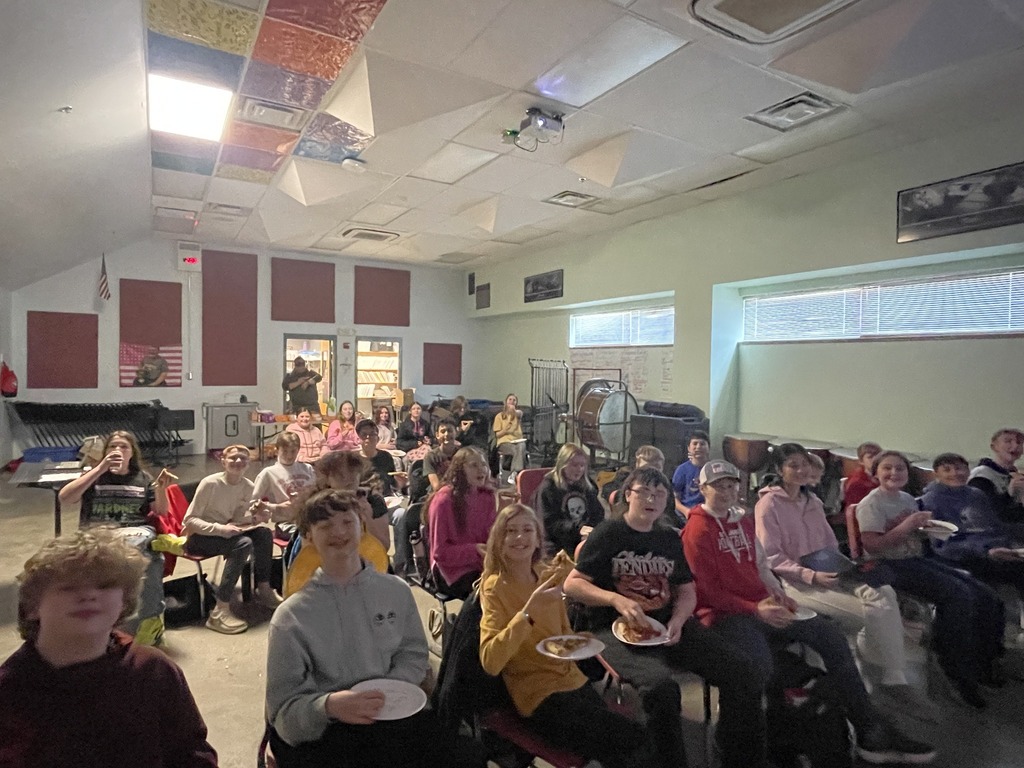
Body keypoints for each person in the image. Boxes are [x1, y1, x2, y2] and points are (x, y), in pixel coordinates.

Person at [684, 459, 936, 766]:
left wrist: (775, 592)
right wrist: (756, 608)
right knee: (757, 664)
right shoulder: (697, 529)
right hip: (725, 616)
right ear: (703, 489)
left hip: (760, 605)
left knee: (829, 636)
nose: (725, 491)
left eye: (730, 484)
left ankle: (868, 728)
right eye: (717, 486)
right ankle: (743, 745)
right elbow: (705, 592)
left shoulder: (741, 520)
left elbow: (760, 565)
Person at [266, 490, 487, 768]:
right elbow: (283, 714)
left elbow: (413, 653)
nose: (338, 532)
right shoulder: (292, 617)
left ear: (362, 526)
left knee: (466, 755)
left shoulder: (395, 591)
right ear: (308, 536)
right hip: (331, 729)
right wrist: (330, 706)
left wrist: (390, 690)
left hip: (393, 713)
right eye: (325, 526)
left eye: (347, 522)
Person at [564, 466, 767, 768]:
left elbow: (686, 590)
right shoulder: (609, 533)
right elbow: (572, 584)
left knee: (743, 672)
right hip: (613, 628)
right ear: (627, 496)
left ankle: (739, 757)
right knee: (662, 690)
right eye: (643, 491)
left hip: (667, 623)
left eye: (659, 493)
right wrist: (616, 599)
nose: (651, 499)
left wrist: (679, 619)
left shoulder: (668, 539)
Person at [0, 529, 217, 767]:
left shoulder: (153, 671)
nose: (89, 595)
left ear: (124, 603)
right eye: (69, 586)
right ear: (32, 607)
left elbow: (191, 754)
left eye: (105, 585)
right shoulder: (10, 688)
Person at [754, 444, 932, 715]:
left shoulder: (811, 501)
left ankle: (891, 677)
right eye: (793, 465)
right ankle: (879, 683)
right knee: (870, 614)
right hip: (794, 582)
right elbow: (771, 557)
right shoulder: (768, 505)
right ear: (779, 470)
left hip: (828, 571)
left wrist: (845, 567)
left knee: (884, 592)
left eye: (804, 463)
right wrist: (810, 575)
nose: (801, 470)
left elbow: (828, 543)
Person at [479, 503, 647, 768]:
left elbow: (562, 635)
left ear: (537, 539)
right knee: (634, 741)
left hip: (570, 679)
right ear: (498, 540)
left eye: (527, 530)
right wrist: (527, 613)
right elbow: (490, 661)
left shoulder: (546, 575)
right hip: (536, 694)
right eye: (511, 531)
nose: (520, 537)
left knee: (624, 745)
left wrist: (581, 643)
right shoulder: (494, 588)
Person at [857, 450, 1005, 708]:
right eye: (887, 468)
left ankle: (981, 663)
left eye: (900, 468)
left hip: (916, 559)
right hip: (889, 564)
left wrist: (928, 530)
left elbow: (917, 538)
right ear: (876, 473)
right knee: (959, 595)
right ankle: (953, 669)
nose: (894, 473)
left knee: (986, 595)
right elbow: (873, 546)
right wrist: (909, 525)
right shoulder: (871, 504)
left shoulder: (906, 499)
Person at [58, 430, 172, 645]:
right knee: (137, 553)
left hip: (135, 531)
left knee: (154, 560)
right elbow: (65, 497)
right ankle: (111, 624)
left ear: (132, 453)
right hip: (99, 533)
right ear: (105, 452)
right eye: (112, 447)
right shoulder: (94, 475)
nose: (118, 450)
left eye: (124, 447)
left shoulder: (143, 478)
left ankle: (150, 622)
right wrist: (100, 468)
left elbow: (162, 511)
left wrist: (160, 490)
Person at [183, 444, 282, 634]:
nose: (238, 462)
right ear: (223, 461)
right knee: (242, 544)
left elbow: (239, 518)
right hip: (200, 537)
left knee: (262, 534)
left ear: (248, 463)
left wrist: (256, 518)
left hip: (226, 534)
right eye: (233, 458)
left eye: (243, 458)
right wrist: (220, 529)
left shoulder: (248, 486)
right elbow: (190, 521)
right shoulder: (210, 484)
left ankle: (264, 588)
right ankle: (219, 611)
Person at [921, 452, 1024, 598]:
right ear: (936, 474)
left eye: (959, 468)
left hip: (993, 549)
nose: (955, 473)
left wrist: (1009, 545)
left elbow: (994, 527)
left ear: (968, 471)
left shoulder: (976, 495)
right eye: (947, 470)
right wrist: (986, 550)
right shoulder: (929, 501)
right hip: (960, 557)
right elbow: (943, 543)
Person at [427, 447, 498, 599]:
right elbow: (440, 553)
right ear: (460, 470)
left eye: (484, 465)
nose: (482, 470)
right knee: (490, 592)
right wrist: (475, 550)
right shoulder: (443, 500)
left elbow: (490, 537)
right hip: (450, 571)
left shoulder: (487, 496)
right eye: (474, 465)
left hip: (482, 564)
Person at [537, 442, 604, 557]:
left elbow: (598, 513)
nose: (579, 469)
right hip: (558, 543)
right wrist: (578, 529)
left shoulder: (586, 486)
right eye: (574, 465)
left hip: (584, 539)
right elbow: (550, 524)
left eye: (582, 465)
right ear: (563, 464)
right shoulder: (549, 488)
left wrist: (591, 531)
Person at [252, 431, 316, 523]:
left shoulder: (307, 468)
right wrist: (273, 507)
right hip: (285, 523)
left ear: (298, 450)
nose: (289, 456)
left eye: (293, 451)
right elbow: (253, 502)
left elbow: (316, 494)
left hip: (309, 520)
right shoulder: (268, 473)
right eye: (285, 451)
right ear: (277, 450)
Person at [969, 427, 1024, 525]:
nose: (1015, 446)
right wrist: (1009, 494)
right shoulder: (981, 476)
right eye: (1008, 441)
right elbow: (987, 513)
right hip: (986, 532)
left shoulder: (1017, 476)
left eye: (1019, 442)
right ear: (994, 447)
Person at [671, 431, 710, 521]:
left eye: (702, 444)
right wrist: (686, 511)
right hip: (686, 512)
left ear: (708, 448)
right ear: (689, 448)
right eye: (695, 444)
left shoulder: (713, 469)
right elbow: (674, 498)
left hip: (708, 512)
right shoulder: (682, 470)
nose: (698, 447)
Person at [493, 393, 526, 483]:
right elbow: (498, 435)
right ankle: (517, 473)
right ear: (506, 402)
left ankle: (514, 473)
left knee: (521, 446)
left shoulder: (518, 414)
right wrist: (506, 430)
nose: (512, 401)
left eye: (514, 400)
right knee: (517, 451)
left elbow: (519, 413)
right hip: (504, 442)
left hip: (517, 441)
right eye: (510, 399)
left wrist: (513, 412)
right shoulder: (499, 416)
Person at [844, 441, 882, 507]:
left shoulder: (885, 476)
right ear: (861, 461)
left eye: (878, 455)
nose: (875, 459)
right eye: (870, 457)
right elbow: (854, 509)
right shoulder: (856, 483)